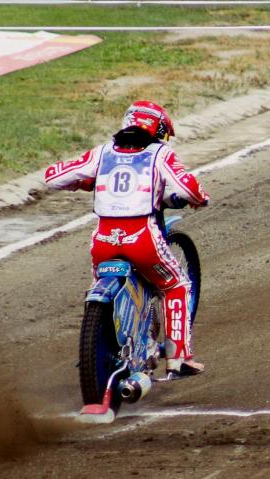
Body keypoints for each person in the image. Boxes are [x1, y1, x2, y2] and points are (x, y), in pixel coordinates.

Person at [45, 100, 210, 378]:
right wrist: (201, 199)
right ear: (159, 130)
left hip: (103, 241)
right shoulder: (160, 153)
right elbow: (187, 188)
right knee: (176, 285)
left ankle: (95, 345)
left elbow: (53, 177)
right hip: (142, 238)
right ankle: (178, 358)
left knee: (97, 286)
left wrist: (84, 182)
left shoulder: (102, 152)